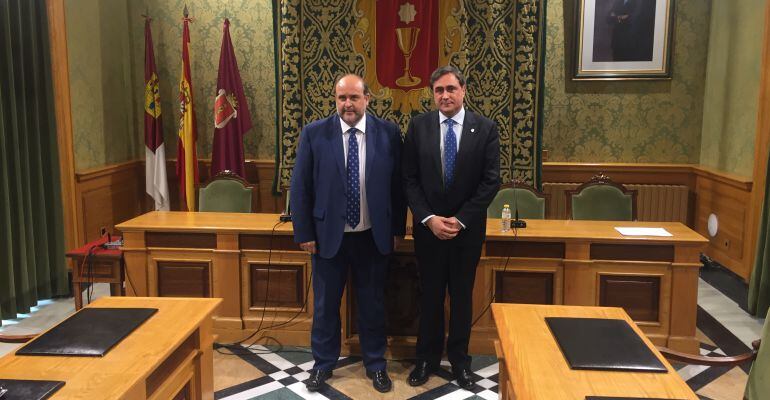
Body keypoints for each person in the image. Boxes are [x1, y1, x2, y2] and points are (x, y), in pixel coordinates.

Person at [290, 74, 406, 393]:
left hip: (373, 236)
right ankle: (322, 365)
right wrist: (304, 232)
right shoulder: (315, 134)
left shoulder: (388, 134)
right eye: (342, 98)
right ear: (335, 100)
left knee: (372, 304)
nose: (348, 104)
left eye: (354, 97)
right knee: (326, 306)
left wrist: (397, 230)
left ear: (367, 99)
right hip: (328, 237)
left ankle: (375, 365)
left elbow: (398, 188)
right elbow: (300, 187)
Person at [402, 65, 500, 390]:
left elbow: (490, 182)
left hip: (465, 232)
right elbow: (409, 180)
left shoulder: (485, 129)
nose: (445, 96)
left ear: (463, 90)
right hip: (429, 232)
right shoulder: (418, 127)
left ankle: (460, 362)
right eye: (438, 91)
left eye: (450, 89)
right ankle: (426, 361)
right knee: (429, 297)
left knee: (461, 298)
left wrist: (459, 220)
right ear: (433, 95)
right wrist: (429, 219)